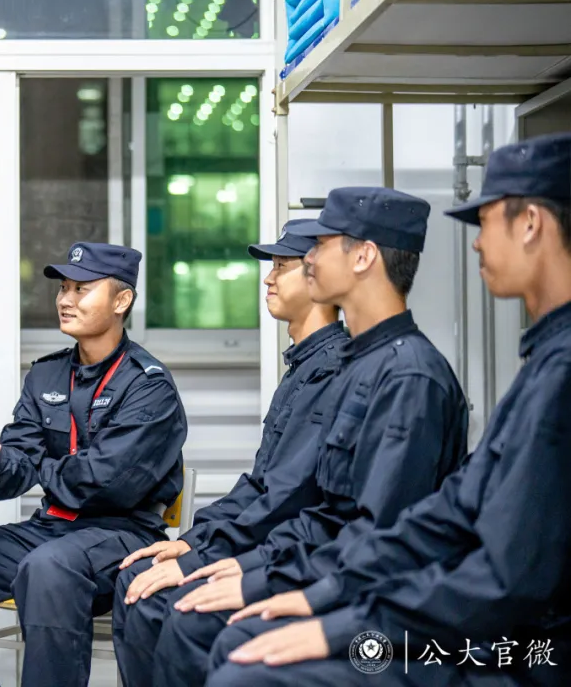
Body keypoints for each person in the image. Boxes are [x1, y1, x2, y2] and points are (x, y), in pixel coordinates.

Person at [206, 134, 571, 687]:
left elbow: (504, 577)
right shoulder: (544, 362)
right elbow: (450, 514)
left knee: (248, 668)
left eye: (485, 221)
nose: (476, 243)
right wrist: (326, 594)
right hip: (468, 618)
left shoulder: (538, 373)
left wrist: (352, 623)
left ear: (530, 224)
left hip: (522, 653)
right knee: (242, 650)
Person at [139, 187, 470, 686]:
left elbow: (378, 533)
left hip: (379, 601)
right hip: (330, 568)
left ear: (364, 256)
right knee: (192, 615)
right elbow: (325, 511)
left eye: (321, 244)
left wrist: (263, 577)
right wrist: (251, 566)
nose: (308, 258)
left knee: (207, 630)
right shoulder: (361, 364)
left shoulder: (408, 376)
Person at [0, 242, 187, 687]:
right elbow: (11, 478)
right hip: (50, 530)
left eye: (82, 289)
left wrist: (40, 466)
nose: (65, 299)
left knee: (48, 567)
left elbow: (108, 483)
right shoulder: (46, 374)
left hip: (123, 535)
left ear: (121, 300)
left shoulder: (148, 386)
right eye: (63, 288)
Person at [111, 219, 348, 686]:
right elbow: (259, 484)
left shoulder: (332, 370)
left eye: (282, 266)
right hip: (264, 542)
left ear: (319, 274)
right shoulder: (302, 367)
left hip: (290, 553)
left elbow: (286, 498)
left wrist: (200, 556)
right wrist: (192, 540)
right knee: (136, 577)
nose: (268, 278)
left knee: (162, 602)